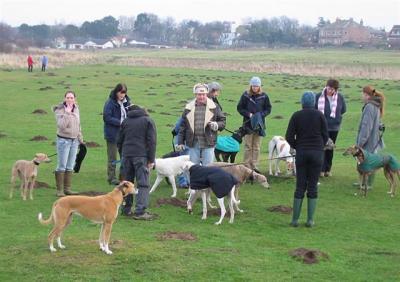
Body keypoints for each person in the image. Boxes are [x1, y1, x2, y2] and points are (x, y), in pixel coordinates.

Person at [285, 92, 328, 228]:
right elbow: (325, 135)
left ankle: (295, 220)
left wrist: (298, 146)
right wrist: (319, 146)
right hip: (317, 154)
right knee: (313, 186)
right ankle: (310, 220)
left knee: (300, 186)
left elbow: (289, 136)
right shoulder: (320, 115)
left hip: (302, 153)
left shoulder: (296, 116)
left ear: (302, 102)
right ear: (314, 102)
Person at [117, 105, 157, 220]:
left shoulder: (125, 121)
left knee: (126, 182)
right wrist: (151, 159)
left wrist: (123, 154)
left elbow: (119, 141)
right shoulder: (148, 121)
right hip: (141, 156)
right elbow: (152, 141)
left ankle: (126, 208)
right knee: (143, 183)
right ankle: (140, 211)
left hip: (126, 155)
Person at [176, 83, 226, 166]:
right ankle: (193, 180)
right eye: (199, 94)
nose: (201, 97)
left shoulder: (214, 107)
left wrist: (216, 125)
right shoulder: (188, 108)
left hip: (209, 142)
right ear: (195, 95)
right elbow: (183, 126)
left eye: (203, 94)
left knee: (208, 168)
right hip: (193, 142)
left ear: (206, 94)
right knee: (193, 167)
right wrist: (180, 142)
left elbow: (223, 121)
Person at [237, 76, 272, 172]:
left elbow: (268, 109)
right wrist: (249, 114)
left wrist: (261, 115)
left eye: (257, 86)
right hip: (248, 125)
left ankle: (255, 166)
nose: (255, 88)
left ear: (260, 86)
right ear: (251, 86)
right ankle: (246, 167)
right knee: (248, 146)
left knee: (256, 146)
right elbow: (240, 108)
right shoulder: (245, 95)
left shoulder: (264, 96)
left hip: (259, 125)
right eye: (253, 86)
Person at [53, 91, 84, 197]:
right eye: (68, 97)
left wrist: (80, 138)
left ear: (75, 99)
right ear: (64, 98)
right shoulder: (59, 110)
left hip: (74, 141)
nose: (70, 99)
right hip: (63, 141)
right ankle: (59, 190)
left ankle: (67, 189)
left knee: (70, 165)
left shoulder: (76, 108)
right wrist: (67, 113)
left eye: (72, 97)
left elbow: (78, 124)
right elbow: (61, 126)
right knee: (62, 165)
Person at [315, 79, 347, 177]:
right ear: (326, 86)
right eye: (329, 88)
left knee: (330, 148)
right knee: (322, 147)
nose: (330, 91)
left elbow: (343, 110)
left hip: (334, 127)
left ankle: (328, 169)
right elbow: (314, 109)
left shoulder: (340, 97)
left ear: (336, 90)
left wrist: (336, 118)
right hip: (321, 127)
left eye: (332, 89)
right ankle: (321, 169)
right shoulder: (318, 96)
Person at [355, 85, 385, 188]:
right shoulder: (375, 105)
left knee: (368, 161)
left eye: (363, 94)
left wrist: (359, 144)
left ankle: (368, 184)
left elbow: (366, 127)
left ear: (367, 95)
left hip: (369, 141)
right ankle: (364, 182)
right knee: (367, 160)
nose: (362, 96)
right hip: (373, 139)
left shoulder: (369, 107)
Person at [103, 83, 131, 185]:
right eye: (121, 92)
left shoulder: (127, 102)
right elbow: (106, 117)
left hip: (124, 134)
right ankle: (111, 178)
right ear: (116, 91)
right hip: (112, 134)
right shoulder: (110, 103)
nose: (122, 95)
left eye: (124, 92)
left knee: (124, 156)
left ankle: (123, 177)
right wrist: (120, 122)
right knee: (113, 157)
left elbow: (130, 114)